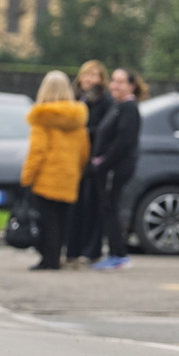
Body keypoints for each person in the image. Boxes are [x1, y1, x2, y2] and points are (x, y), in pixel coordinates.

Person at [20, 71, 90, 270]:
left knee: (46, 220)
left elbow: (37, 151)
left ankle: (48, 259)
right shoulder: (77, 117)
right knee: (61, 220)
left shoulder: (42, 116)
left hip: (46, 177)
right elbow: (84, 151)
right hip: (69, 176)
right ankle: (56, 256)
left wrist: (27, 177)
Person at [91, 68, 148, 271]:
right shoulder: (118, 106)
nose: (115, 85)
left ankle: (119, 255)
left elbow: (123, 142)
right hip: (108, 167)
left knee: (111, 208)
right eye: (113, 81)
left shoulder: (129, 108)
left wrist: (103, 163)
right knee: (108, 208)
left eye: (121, 82)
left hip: (116, 168)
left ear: (131, 86)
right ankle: (115, 253)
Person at [64, 60, 111, 267]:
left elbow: (103, 131)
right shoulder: (73, 98)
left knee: (91, 206)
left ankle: (91, 251)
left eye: (94, 75)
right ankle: (71, 249)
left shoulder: (104, 101)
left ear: (101, 79)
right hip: (73, 160)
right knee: (73, 207)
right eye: (86, 74)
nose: (89, 79)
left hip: (92, 160)